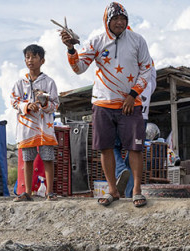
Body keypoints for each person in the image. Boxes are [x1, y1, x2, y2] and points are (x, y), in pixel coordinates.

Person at [61, 2, 153, 207]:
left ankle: (137, 191)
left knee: (135, 148)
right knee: (105, 148)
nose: (119, 23)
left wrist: (133, 94)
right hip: (103, 102)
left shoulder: (138, 40)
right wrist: (70, 49)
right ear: (107, 21)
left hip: (132, 102)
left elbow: (147, 69)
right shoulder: (96, 41)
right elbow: (79, 67)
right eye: (115, 19)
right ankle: (113, 190)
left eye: (123, 19)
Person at [11, 44, 60, 202]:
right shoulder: (20, 83)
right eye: (27, 57)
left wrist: (44, 103)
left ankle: (50, 192)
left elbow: (55, 104)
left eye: (34, 57)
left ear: (42, 60)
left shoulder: (49, 82)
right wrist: (26, 106)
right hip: (27, 128)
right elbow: (14, 102)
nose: (30, 60)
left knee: (47, 158)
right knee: (28, 159)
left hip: (44, 127)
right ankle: (27, 192)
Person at [113, 64, 156, 199]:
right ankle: (130, 193)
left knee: (111, 146)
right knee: (134, 152)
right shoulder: (149, 62)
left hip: (122, 108)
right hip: (142, 112)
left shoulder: (126, 54)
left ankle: (120, 171)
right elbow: (152, 84)